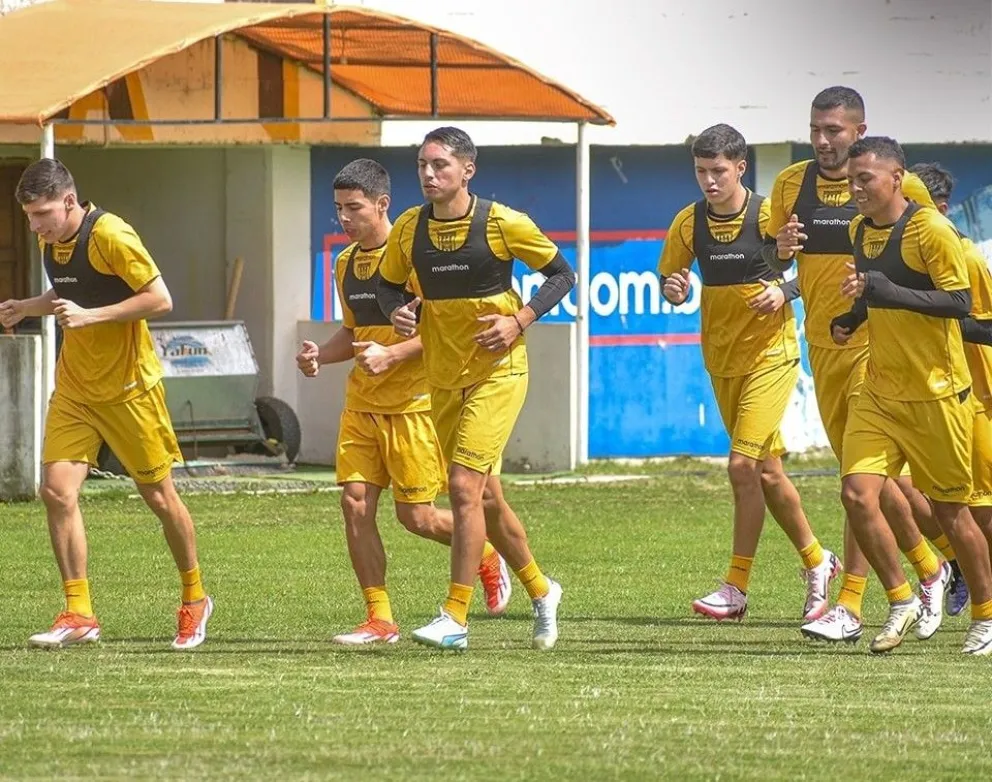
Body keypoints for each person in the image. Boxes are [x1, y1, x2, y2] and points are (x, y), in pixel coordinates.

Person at [761, 87, 953, 643]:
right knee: (877, 481)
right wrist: (780, 249)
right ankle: (933, 566)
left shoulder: (899, 185)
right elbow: (776, 259)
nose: (823, 141)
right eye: (816, 129)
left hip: (880, 347)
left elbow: (935, 257)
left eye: (834, 131)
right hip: (825, 345)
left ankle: (853, 601)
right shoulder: (790, 184)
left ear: (860, 131)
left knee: (858, 480)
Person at [295, 159, 510, 645]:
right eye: (338, 209)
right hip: (361, 406)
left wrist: (393, 354)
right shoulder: (346, 263)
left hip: (414, 406)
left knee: (417, 518)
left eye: (354, 208)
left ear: (382, 204)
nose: (344, 218)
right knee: (354, 505)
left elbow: (443, 332)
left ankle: (485, 554)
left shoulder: (416, 256)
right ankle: (379, 618)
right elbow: (353, 332)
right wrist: (319, 357)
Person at [0, 158, 212, 650]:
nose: (36, 225)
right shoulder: (50, 238)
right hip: (76, 388)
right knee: (56, 491)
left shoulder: (112, 234)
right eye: (30, 216)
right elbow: (74, 288)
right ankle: (78, 612)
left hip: (129, 390)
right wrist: (28, 306)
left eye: (43, 214)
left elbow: (159, 299)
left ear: (70, 202)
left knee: (160, 499)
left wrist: (92, 317)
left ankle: (195, 597)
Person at [376, 126, 575, 650]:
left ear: (468, 170)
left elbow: (561, 274)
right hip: (443, 376)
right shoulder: (408, 227)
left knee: (462, 487)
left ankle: (455, 618)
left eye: (439, 164)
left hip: (499, 373)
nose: (428, 173)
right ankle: (541, 589)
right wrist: (393, 311)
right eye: (422, 164)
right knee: (486, 497)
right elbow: (387, 284)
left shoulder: (503, 222)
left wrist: (521, 319)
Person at [658, 123, 837, 623]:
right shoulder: (689, 222)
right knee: (767, 469)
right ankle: (817, 562)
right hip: (721, 358)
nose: (709, 181)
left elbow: (818, 269)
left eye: (718, 171)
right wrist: (674, 289)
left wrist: (785, 290)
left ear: (740, 168)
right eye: (701, 171)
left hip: (771, 357)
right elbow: (672, 280)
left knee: (740, 466)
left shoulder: (769, 214)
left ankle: (735, 586)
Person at [834, 136, 992, 654]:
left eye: (866, 179)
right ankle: (902, 598)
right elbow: (874, 295)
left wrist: (884, 292)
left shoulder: (932, 229)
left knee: (951, 512)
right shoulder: (859, 230)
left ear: (897, 178)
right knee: (857, 493)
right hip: (880, 390)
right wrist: (851, 316)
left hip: (937, 393)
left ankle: (986, 616)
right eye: (851, 179)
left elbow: (958, 301)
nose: (856, 189)